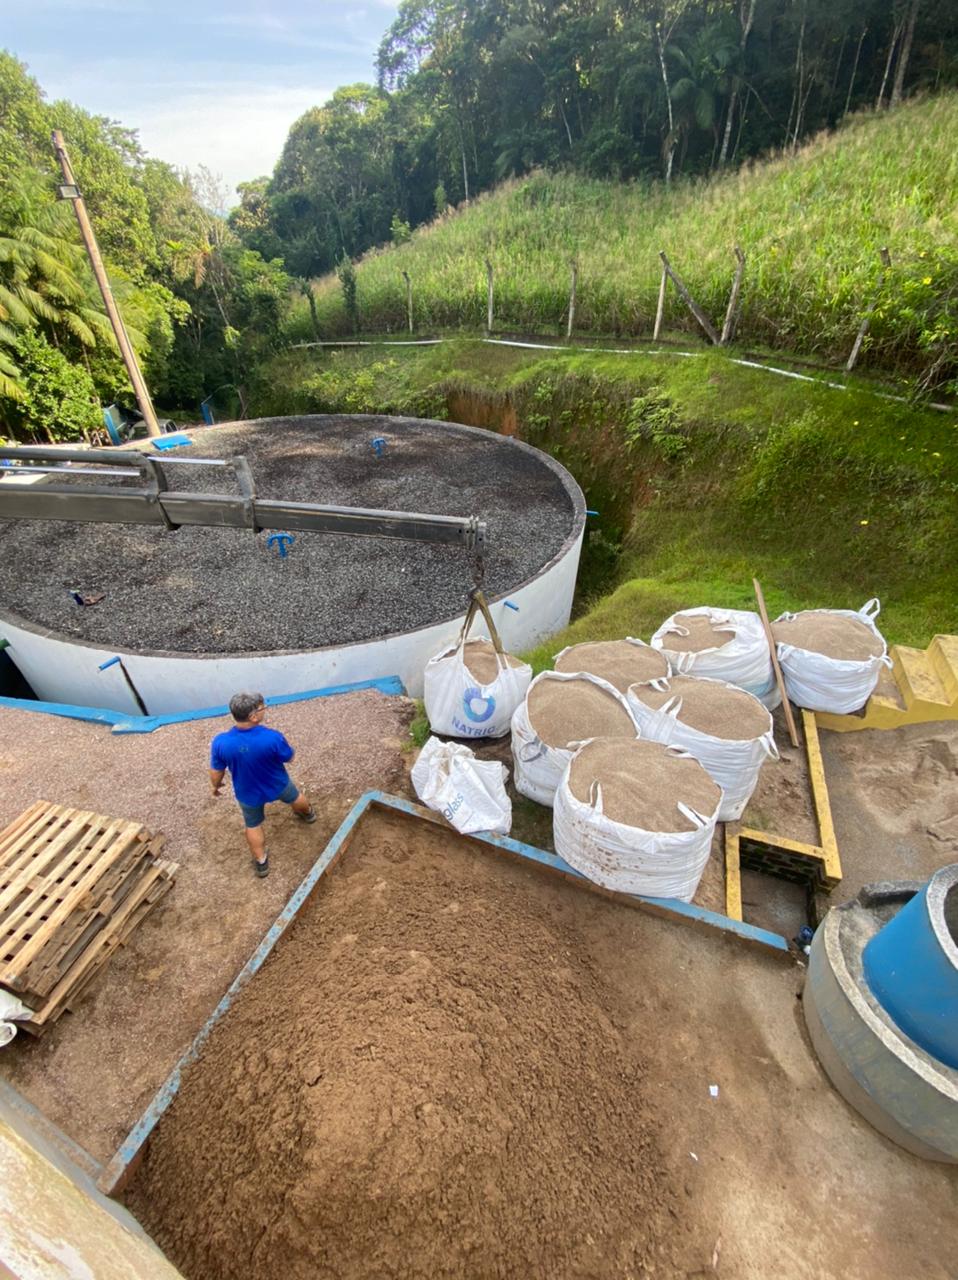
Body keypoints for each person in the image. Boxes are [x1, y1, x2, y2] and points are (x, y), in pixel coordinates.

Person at [209, 691, 316, 878]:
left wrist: (216, 786)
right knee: (296, 798)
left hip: (248, 793)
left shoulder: (221, 742)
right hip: (277, 784)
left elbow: (216, 771)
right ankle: (308, 815)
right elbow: (289, 757)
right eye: (262, 708)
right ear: (253, 716)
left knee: (252, 824)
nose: (264, 711)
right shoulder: (272, 737)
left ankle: (261, 862)